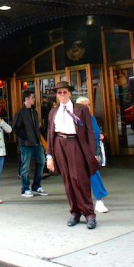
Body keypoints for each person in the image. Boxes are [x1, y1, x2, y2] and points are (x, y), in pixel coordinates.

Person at [46, 81, 99, 230]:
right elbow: (50, 134)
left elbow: (89, 131)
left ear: (69, 93)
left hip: (75, 144)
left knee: (80, 179)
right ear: (56, 95)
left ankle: (89, 214)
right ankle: (75, 212)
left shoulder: (81, 109)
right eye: (59, 93)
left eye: (64, 92)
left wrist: (93, 153)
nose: (62, 95)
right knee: (68, 180)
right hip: (59, 144)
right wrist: (49, 155)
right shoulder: (53, 112)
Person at [76, 96, 109, 213]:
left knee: (94, 174)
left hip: (92, 153)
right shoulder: (76, 121)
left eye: (89, 104)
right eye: (85, 105)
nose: (88, 107)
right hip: (80, 153)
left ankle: (98, 200)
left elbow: (95, 133)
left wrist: (100, 136)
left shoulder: (91, 118)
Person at [12, 90, 48, 197]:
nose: (34, 99)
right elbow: (15, 128)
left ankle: (36, 186)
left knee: (41, 162)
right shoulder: (20, 113)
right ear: (26, 99)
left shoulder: (34, 112)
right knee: (25, 166)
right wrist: (25, 137)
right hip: (26, 144)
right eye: (32, 97)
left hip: (36, 143)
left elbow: (36, 128)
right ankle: (25, 188)